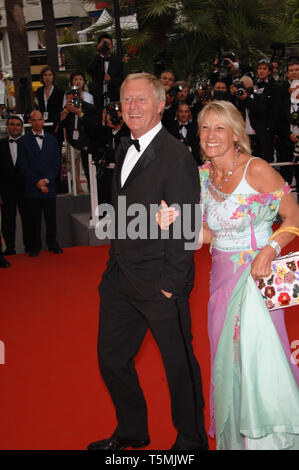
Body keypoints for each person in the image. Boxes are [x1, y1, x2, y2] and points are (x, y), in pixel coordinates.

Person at [157, 100, 299, 450]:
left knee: (259, 360)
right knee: (227, 361)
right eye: (205, 128)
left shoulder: (257, 169)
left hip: (257, 280)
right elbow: (209, 235)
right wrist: (173, 226)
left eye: (220, 128)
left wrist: (271, 249)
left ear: (236, 134)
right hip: (220, 281)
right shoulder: (203, 176)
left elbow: (294, 215)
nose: (211, 135)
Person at [87, 72, 208, 451]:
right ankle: (132, 430)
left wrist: (172, 284)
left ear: (161, 104)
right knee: (112, 359)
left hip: (160, 281)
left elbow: (186, 224)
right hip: (121, 277)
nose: (133, 107)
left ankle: (191, 441)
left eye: (142, 100)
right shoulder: (125, 147)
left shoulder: (176, 156)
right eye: (127, 100)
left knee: (178, 366)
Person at [17, 110, 62, 257]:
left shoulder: (52, 139)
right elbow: (23, 165)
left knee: (51, 218)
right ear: (30, 122)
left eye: (39, 119)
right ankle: (35, 246)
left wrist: (46, 181)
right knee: (33, 219)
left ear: (43, 120)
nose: (37, 123)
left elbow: (56, 164)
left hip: (49, 186)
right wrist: (37, 181)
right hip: (32, 187)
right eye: (34, 120)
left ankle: (52, 243)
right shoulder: (23, 141)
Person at [60, 80, 100, 194]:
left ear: (80, 97)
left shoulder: (90, 108)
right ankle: (78, 189)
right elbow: (60, 123)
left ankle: (94, 194)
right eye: (68, 100)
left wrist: (80, 113)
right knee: (74, 167)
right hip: (74, 144)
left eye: (72, 100)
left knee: (90, 173)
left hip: (88, 146)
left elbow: (94, 127)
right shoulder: (67, 110)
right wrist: (66, 111)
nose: (71, 102)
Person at [0, 115, 30, 254]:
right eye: (12, 124)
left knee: (28, 220)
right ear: (7, 127)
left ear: (22, 128)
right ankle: (9, 249)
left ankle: (30, 247)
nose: (15, 127)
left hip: (26, 189)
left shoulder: (29, 144)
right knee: (7, 221)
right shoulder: (0, 144)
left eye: (18, 125)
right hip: (6, 190)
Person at [86, 33, 123, 112]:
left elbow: (120, 79)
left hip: (112, 97)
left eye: (109, 44)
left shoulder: (116, 60)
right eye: (104, 43)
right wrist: (99, 54)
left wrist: (111, 80)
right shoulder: (94, 59)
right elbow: (89, 70)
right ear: (99, 44)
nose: (107, 46)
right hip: (98, 97)